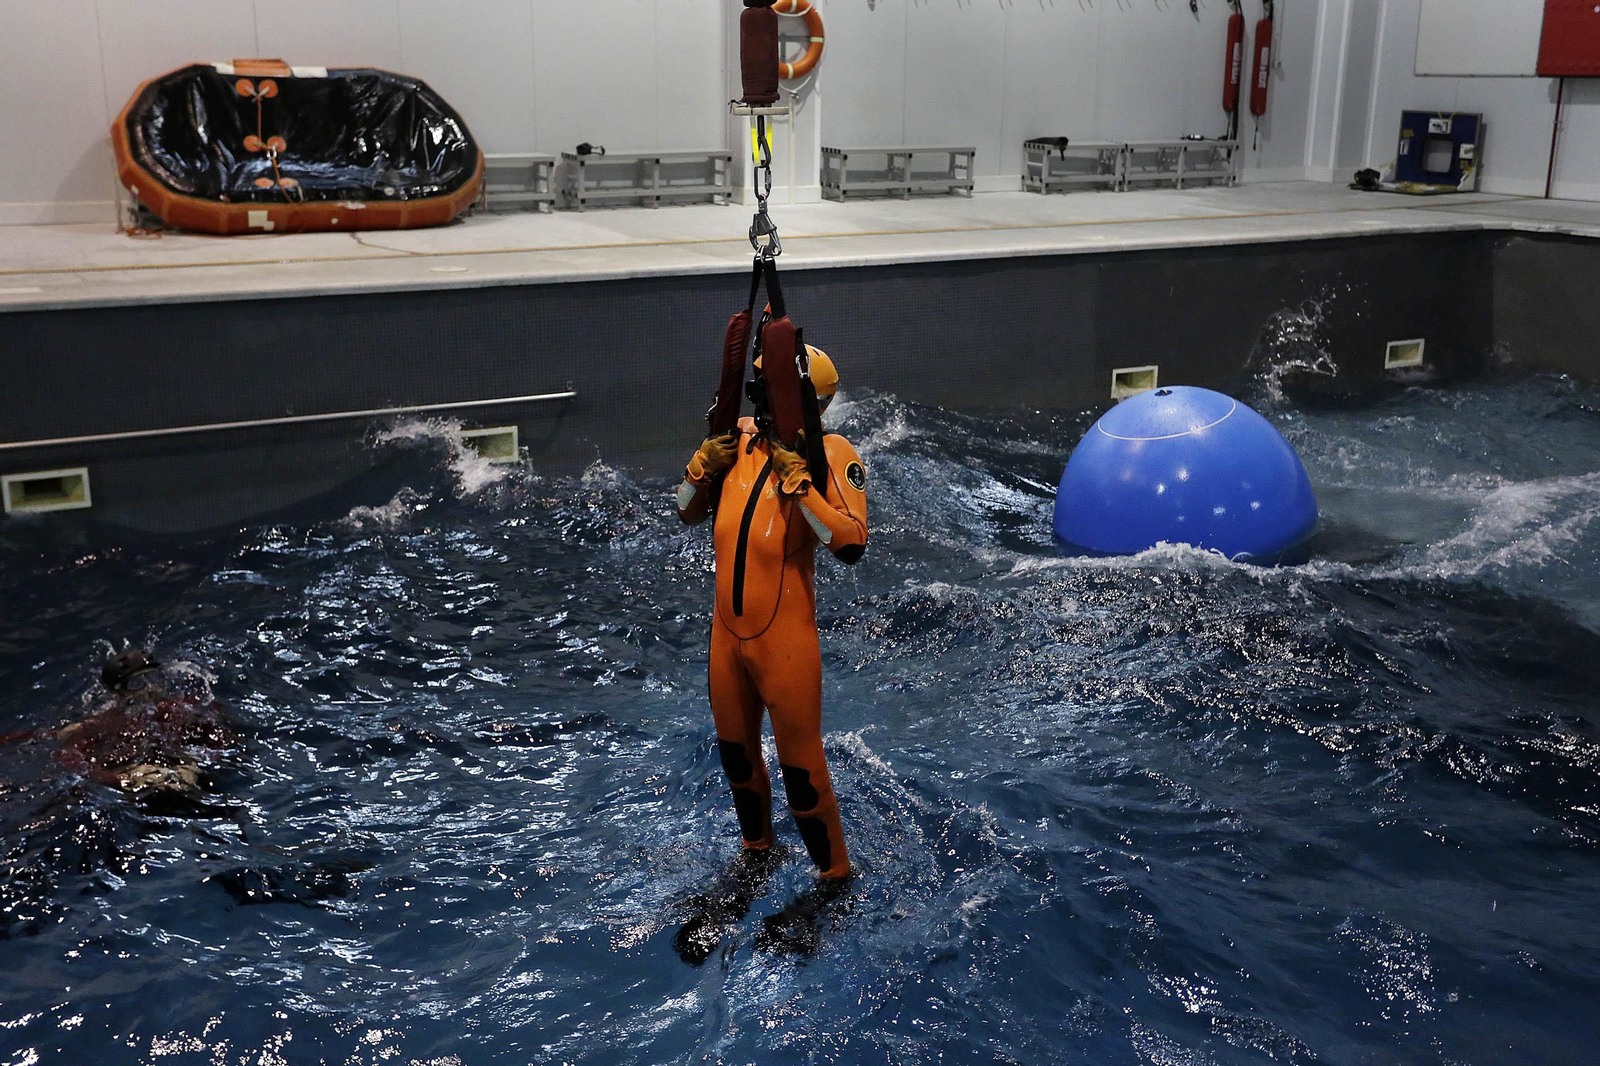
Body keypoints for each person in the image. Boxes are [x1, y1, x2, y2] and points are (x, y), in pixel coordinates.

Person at [677, 345, 869, 881]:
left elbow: (851, 544)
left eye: (774, 390)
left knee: (802, 773)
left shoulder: (831, 453)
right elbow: (687, 512)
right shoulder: (735, 442)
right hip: (727, 637)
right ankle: (756, 854)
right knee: (737, 759)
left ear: (811, 401)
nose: (763, 401)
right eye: (759, 388)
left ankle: (834, 880)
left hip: (783, 640)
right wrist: (698, 470)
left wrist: (801, 487)